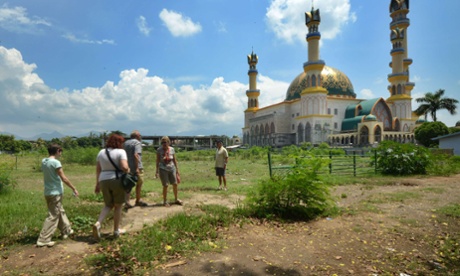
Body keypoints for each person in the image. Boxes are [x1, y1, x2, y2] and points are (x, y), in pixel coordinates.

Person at [36, 144, 78, 247]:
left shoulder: (44, 161)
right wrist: (73, 188)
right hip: (55, 193)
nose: (61, 153)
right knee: (53, 215)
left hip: (48, 192)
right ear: (57, 151)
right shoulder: (56, 162)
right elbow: (64, 178)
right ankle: (43, 239)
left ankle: (66, 230)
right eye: (60, 151)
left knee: (59, 211)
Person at [93, 133, 129, 240]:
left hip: (103, 179)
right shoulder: (121, 152)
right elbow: (124, 167)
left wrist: (97, 184)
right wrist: (128, 170)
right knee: (118, 205)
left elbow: (98, 169)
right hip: (116, 179)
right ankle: (116, 230)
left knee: (108, 204)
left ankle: (98, 223)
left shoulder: (101, 152)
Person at [155, 136, 182, 207]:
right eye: (162, 142)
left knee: (175, 184)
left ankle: (176, 199)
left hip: (172, 168)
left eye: (165, 142)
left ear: (168, 142)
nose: (164, 144)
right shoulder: (159, 150)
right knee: (165, 185)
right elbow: (157, 160)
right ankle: (165, 201)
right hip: (163, 169)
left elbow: (174, 160)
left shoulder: (172, 149)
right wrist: (156, 171)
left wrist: (177, 170)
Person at [123, 130, 148, 209]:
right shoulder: (137, 143)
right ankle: (138, 200)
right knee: (139, 183)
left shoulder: (125, 143)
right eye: (139, 136)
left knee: (128, 184)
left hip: (127, 167)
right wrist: (137, 167)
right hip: (137, 167)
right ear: (137, 136)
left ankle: (127, 202)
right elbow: (136, 155)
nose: (140, 137)